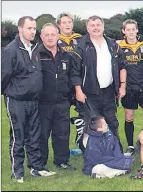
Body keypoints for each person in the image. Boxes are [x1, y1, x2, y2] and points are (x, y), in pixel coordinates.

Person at [2, 16, 55, 183]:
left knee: (34, 136)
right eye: (29, 28)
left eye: (34, 28)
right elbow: (4, 76)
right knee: (19, 137)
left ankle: (35, 167)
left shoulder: (35, 49)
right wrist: (10, 93)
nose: (32, 31)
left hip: (34, 100)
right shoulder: (11, 50)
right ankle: (17, 172)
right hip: (17, 100)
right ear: (20, 29)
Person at [71, 15, 127, 151]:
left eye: (98, 25)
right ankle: (93, 153)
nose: (96, 28)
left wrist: (122, 86)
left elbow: (122, 66)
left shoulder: (113, 44)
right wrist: (78, 91)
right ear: (87, 28)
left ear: (103, 26)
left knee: (112, 122)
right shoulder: (81, 45)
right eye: (92, 25)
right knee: (94, 124)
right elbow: (75, 71)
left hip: (109, 91)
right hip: (89, 93)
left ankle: (115, 150)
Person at [38, 23, 76, 170]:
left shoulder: (66, 55)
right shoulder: (36, 55)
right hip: (42, 103)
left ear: (58, 36)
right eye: (46, 35)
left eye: (53, 34)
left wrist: (71, 96)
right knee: (42, 134)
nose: (50, 37)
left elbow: (72, 77)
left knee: (62, 133)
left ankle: (62, 161)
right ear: (41, 37)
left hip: (62, 102)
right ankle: (40, 163)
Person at [119, 19, 143, 156]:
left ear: (137, 30)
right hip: (129, 87)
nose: (131, 32)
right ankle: (131, 145)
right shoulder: (119, 47)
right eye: (128, 30)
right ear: (124, 31)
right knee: (129, 115)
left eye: (133, 29)